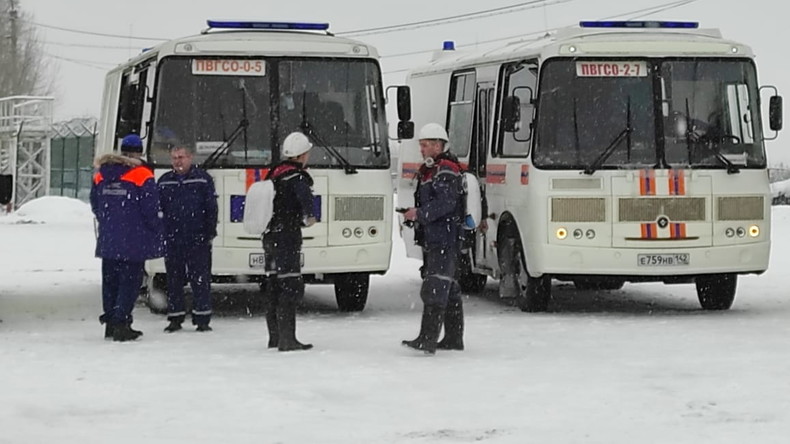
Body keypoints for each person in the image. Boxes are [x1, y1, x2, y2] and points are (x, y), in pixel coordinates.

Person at [90, 134, 164, 342]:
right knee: (129, 283)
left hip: (109, 238)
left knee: (110, 281)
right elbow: (151, 209)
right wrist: (155, 228)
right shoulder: (141, 174)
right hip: (134, 239)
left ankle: (111, 324)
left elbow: (95, 204)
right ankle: (122, 323)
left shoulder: (101, 174)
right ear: (140, 151)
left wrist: (109, 221)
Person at [402, 123, 466, 355]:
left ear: (439, 145)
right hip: (442, 235)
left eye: (426, 145)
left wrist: (419, 214)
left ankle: (427, 339)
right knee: (449, 287)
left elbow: (446, 203)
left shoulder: (445, 170)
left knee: (436, 286)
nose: (422, 150)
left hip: (443, 236)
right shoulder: (437, 168)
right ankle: (452, 337)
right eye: (421, 145)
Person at [261, 131, 316, 352]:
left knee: (273, 285)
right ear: (302, 154)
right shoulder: (297, 177)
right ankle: (288, 339)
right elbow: (307, 204)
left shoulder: (273, 174)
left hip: (270, 236)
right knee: (290, 285)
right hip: (287, 236)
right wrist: (309, 217)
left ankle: (274, 337)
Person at [158, 145, 218, 333]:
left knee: (200, 279)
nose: (178, 161)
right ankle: (175, 318)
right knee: (174, 280)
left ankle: (202, 319)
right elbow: (157, 209)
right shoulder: (164, 181)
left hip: (197, 238)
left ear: (190, 158)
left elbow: (211, 208)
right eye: (174, 157)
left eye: (181, 157)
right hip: (173, 239)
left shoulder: (202, 179)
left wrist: (209, 232)